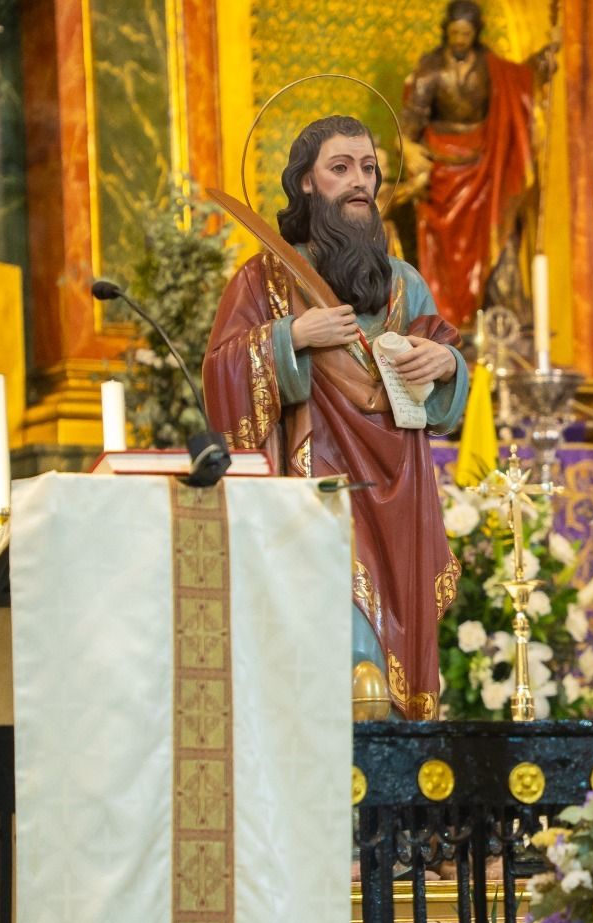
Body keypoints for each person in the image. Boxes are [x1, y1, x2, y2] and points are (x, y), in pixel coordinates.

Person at [203, 114, 469, 719]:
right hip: (314, 488)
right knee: (344, 651)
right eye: (340, 168)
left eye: (368, 169)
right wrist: (293, 334)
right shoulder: (265, 279)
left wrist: (445, 363)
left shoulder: (404, 285)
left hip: (399, 495)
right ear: (305, 183)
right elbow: (220, 375)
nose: (358, 183)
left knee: (396, 667)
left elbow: (444, 367)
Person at [399, 0, 537, 328]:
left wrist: (545, 58)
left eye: (466, 33)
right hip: (443, 172)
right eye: (455, 32)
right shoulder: (431, 69)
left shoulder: (491, 68)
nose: (460, 39)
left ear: (476, 34)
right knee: (443, 254)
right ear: (446, 31)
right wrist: (408, 147)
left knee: (499, 242)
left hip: (485, 166)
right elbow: (409, 122)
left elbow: (521, 81)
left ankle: (501, 319)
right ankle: (444, 318)